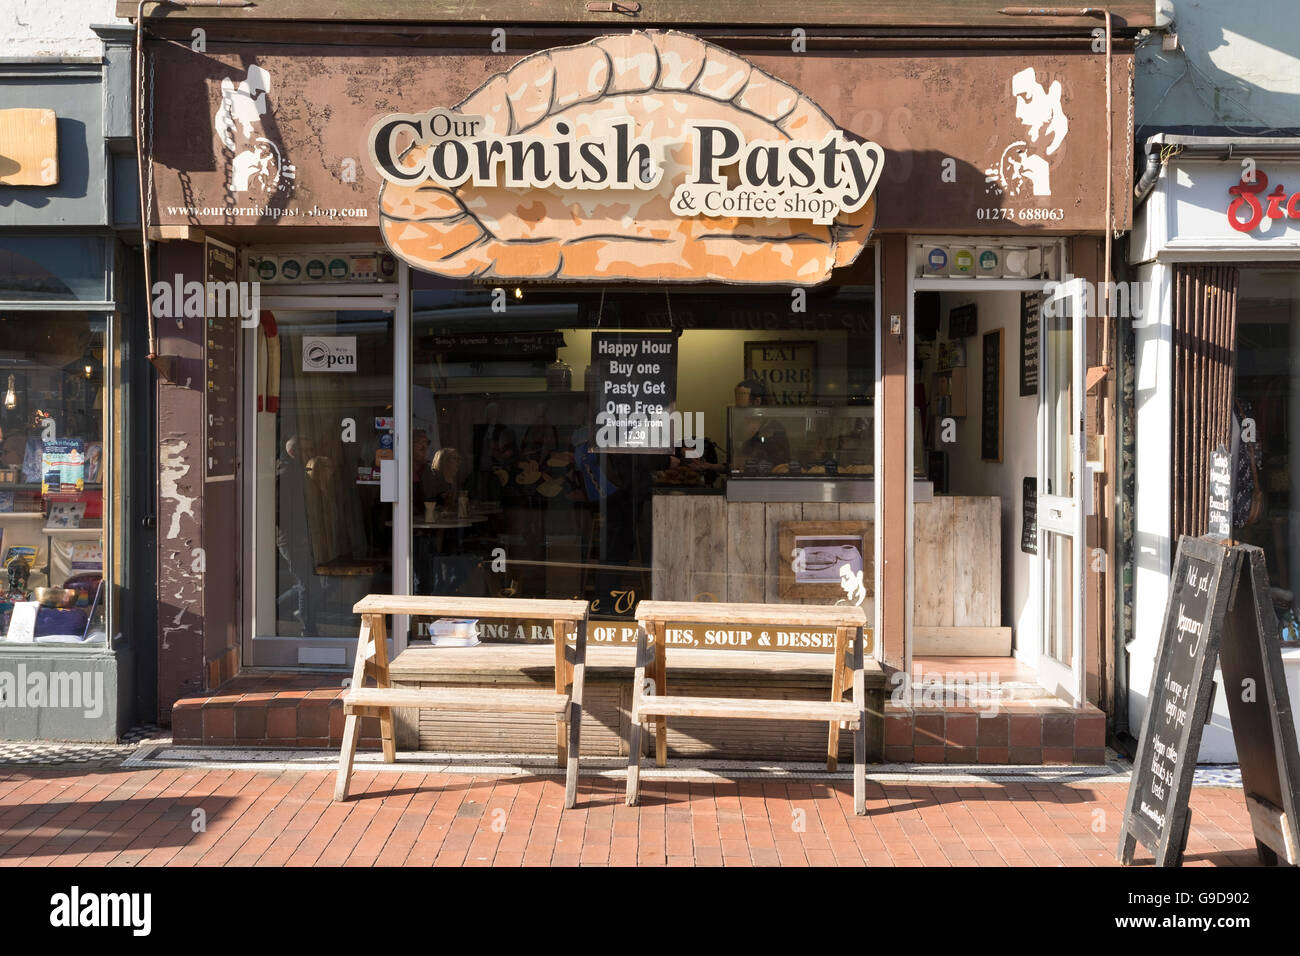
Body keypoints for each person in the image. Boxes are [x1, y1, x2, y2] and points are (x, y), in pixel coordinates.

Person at [276, 434, 317, 635]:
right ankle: (307, 627)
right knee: (305, 583)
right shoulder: (286, 473)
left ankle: (273, 609)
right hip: (292, 538)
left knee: (306, 582)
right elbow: (282, 511)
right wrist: (296, 535)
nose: (310, 453)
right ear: (294, 452)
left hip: (297, 535)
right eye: (306, 449)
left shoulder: (296, 471)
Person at [734, 376, 791, 469]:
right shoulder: (741, 426)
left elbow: (780, 463)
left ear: (757, 401)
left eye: (744, 407)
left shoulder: (775, 429)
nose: (741, 412)